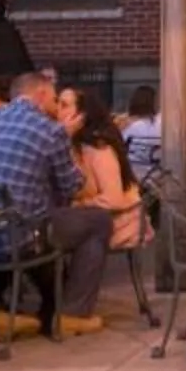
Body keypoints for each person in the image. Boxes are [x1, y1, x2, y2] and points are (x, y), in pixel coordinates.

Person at [0, 71, 112, 335]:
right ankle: (72, 313)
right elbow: (72, 186)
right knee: (98, 221)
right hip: (15, 236)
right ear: (42, 94)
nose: (57, 107)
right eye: (56, 100)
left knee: (22, 215)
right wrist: (67, 137)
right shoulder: (50, 130)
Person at [59, 87, 147, 257]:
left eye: (64, 105)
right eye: (57, 103)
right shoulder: (67, 145)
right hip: (87, 216)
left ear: (81, 116)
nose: (57, 110)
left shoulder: (99, 150)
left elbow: (112, 199)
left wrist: (78, 205)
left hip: (120, 220)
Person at [121, 85, 164, 185]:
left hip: (133, 176)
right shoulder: (162, 124)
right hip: (158, 176)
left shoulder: (130, 126)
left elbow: (118, 148)